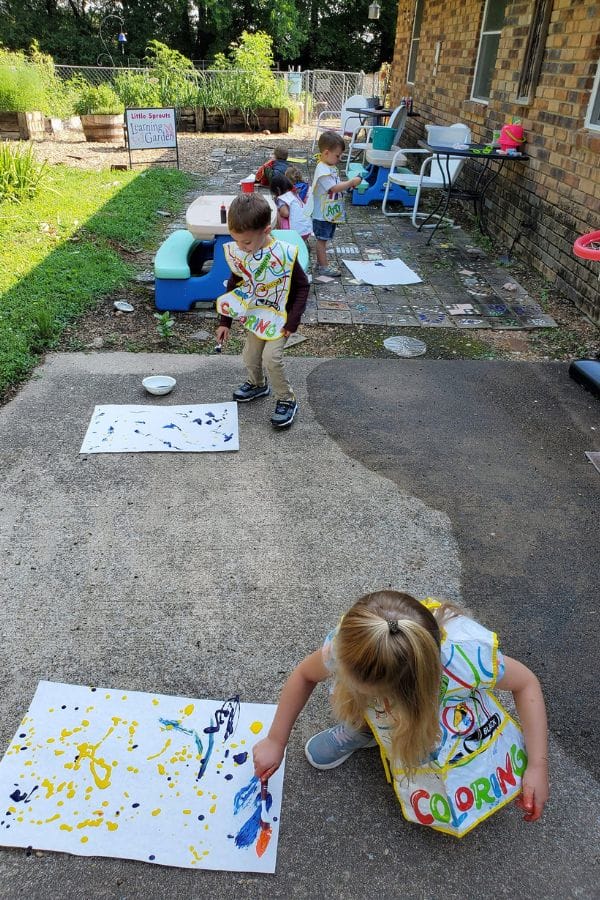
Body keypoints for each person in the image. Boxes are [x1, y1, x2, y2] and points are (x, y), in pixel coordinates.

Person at [253, 589, 549, 837]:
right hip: (407, 702)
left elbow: (526, 683)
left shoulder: (467, 663)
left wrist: (537, 765)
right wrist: (276, 740)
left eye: (369, 692)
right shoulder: (348, 646)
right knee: (357, 702)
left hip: (447, 711)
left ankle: (417, 738)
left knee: (436, 754)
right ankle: (363, 729)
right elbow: (305, 675)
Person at [215, 193, 309, 429]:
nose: (240, 247)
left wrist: (292, 323)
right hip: (257, 316)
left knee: (271, 358)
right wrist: (224, 322)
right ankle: (258, 385)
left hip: (280, 319)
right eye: (236, 241)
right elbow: (234, 285)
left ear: (266, 230)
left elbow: (302, 287)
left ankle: (286, 399)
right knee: (250, 355)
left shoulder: (284, 255)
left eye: (246, 242)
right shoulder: (243, 253)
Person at [312, 131, 362, 278]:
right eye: (338, 156)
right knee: (322, 240)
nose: (339, 159)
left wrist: (348, 185)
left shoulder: (329, 166)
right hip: (322, 214)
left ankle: (320, 262)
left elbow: (336, 184)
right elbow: (333, 188)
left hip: (327, 212)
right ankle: (323, 267)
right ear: (326, 153)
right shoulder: (322, 170)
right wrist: (351, 182)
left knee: (324, 239)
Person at [270, 174, 313, 244]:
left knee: (277, 210)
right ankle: (301, 244)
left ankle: (283, 236)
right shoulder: (294, 194)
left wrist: (278, 209)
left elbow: (286, 213)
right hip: (306, 230)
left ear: (278, 189)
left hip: (295, 233)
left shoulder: (282, 199)